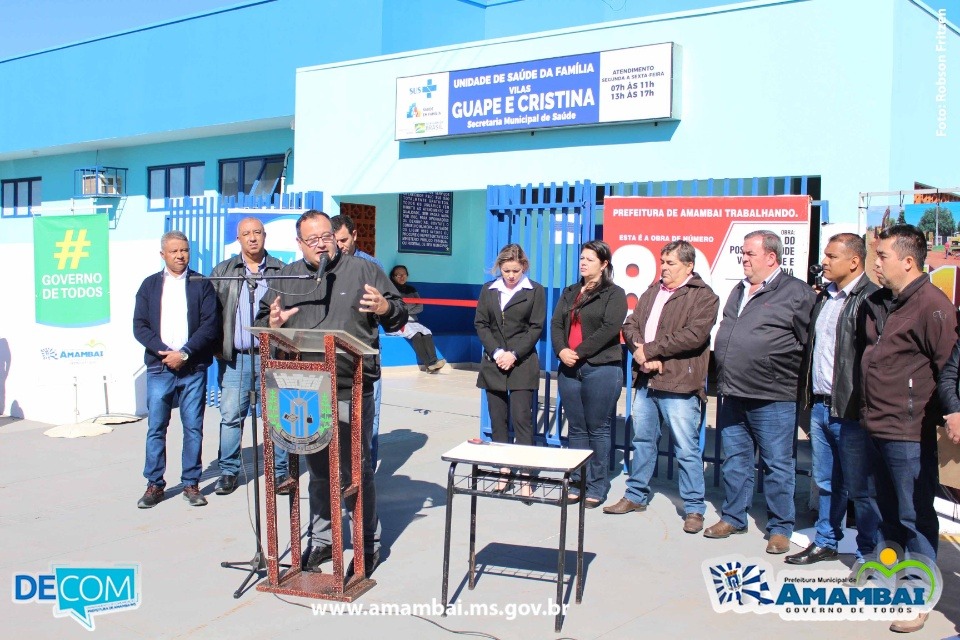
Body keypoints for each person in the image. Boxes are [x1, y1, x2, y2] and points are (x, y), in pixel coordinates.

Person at [257, 210, 407, 577]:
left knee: (356, 469)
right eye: (313, 239)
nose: (322, 243)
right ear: (299, 244)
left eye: (327, 235)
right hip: (301, 390)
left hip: (350, 386)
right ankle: (323, 540)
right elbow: (263, 322)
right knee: (318, 471)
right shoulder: (287, 277)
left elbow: (398, 314)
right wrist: (271, 323)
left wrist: (386, 307)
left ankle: (367, 544)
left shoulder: (364, 270)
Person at [863, 224, 957, 634]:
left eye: (882, 256)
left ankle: (917, 596)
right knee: (887, 516)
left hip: (910, 433)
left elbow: (946, 369)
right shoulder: (886, 301)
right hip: (876, 426)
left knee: (914, 516)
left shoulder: (931, 305)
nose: (876, 262)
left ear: (907, 260)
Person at [705, 230, 816, 554]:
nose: (744, 259)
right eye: (743, 253)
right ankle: (734, 517)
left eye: (750, 254)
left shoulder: (796, 292)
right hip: (734, 392)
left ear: (771, 257)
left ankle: (781, 527)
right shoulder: (738, 290)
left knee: (777, 464)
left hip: (773, 397)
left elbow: (808, 341)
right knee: (735, 461)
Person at [604, 241, 719, 534]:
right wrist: (641, 352)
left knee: (686, 448)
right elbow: (630, 324)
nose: (664, 268)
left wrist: (651, 351)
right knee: (642, 440)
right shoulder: (653, 291)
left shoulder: (704, 296)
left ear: (689, 266)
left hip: (680, 383)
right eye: (662, 262)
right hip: (646, 379)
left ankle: (694, 508)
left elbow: (693, 335)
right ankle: (635, 495)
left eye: (671, 263)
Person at [786, 233, 880, 566]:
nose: (823, 261)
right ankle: (826, 540)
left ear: (854, 261)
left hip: (852, 409)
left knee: (862, 488)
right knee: (826, 480)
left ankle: (869, 553)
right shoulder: (825, 296)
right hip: (821, 405)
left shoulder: (871, 298)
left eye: (831, 256)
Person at [133, 230, 220, 509]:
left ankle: (191, 483)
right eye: (174, 251)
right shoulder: (149, 286)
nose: (180, 255)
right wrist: (164, 352)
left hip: (192, 367)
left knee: (193, 427)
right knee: (156, 427)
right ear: (163, 255)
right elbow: (140, 326)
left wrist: (184, 353)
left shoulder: (201, 283)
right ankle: (154, 484)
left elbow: (210, 325)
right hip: (160, 368)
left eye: (184, 250)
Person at [209, 217, 290, 496]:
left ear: (265, 236)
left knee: (277, 417)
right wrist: (217, 348)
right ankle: (229, 471)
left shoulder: (283, 270)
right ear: (239, 239)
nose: (252, 238)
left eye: (257, 232)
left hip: (274, 356)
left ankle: (280, 474)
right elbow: (212, 314)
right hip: (237, 359)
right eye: (246, 234)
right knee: (231, 416)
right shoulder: (224, 270)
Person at [551, 240, 627, 509]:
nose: (583, 263)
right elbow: (557, 323)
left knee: (598, 427)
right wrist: (561, 350)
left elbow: (609, 328)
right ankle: (577, 483)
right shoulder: (570, 292)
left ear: (604, 264)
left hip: (601, 367)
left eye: (590, 260)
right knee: (577, 428)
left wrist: (579, 351)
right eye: (582, 258)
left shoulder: (614, 294)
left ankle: (596, 485)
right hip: (569, 367)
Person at [474, 244, 546, 499]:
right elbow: (481, 323)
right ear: (499, 268)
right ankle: (504, 470)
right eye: (506, 270)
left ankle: (525, 474)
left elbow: (536, 327)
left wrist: (513, 353)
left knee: (522, 419)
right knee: (498, 420)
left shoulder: (535, 291)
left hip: (522, 362)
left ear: (523, 267)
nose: (511, 275)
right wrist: (496, 352)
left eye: (515, 270)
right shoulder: (489, 290)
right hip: (494, 362)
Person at [331, 214, 386, 466]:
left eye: (343, 239)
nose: (339, 245)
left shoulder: (371, 267)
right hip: (331, 354)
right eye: (335, 240)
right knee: (336, 417)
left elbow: (388, 309)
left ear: (354, 236)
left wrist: (379, 307)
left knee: (367, 417)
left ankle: (366, 470)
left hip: (364, 353)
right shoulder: (326, 266)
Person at [387, 265, 446, 373]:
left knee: (427, 334)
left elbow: (420, 306)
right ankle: (428, 365)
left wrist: (405, 309)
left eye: (404, 274)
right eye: (398, 275)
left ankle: (434, 361)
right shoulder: (390, 289)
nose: (402, 277)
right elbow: (392, 307)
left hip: (413, 320)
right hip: (398, 321)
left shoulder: (412, 290)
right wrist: (405, 309)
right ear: (393, 276)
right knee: (417, 336)